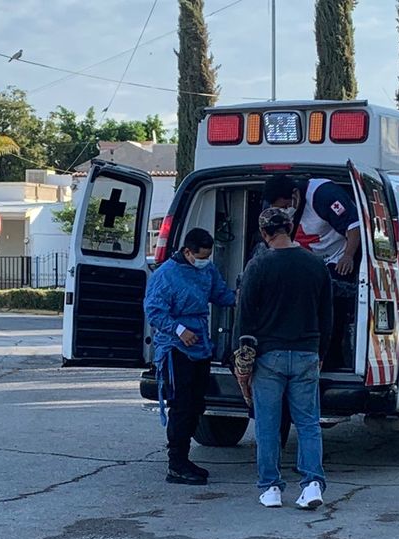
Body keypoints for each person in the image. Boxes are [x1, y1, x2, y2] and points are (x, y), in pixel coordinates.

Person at [236, 208, 333, 509]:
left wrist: (242, 361)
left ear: (264, 233)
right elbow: (327, 316)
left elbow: (245, 318)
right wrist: (321, 353)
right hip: (307, 353)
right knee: (308, 423)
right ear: (290, 228)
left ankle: (271, 488)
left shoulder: (258, 265)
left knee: (267, 425)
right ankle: (312, 484)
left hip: (269, 356)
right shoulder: (316, 265)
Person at [144, 227, 236, 485]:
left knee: (196, 404)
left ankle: (184, 460)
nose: (205, 261)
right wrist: (179, 330)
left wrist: (241, 298)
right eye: (201, 256)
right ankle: (176, 464)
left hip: (200, 345)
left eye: (207, 256)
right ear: (187, 252)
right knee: (182, 406)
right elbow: (154, 311)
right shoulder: (166, 275)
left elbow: (220, 294)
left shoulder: (206, 270)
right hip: (176, 349)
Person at [263, 174, 361, 369]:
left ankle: (332, 358)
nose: (284, 210)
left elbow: (354, 225)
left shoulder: (323, 194)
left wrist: (348, 255)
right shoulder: (273, 209)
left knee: (333, 310)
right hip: (305, 261)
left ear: (295, 194)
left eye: (285, 206)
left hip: (336, 258)